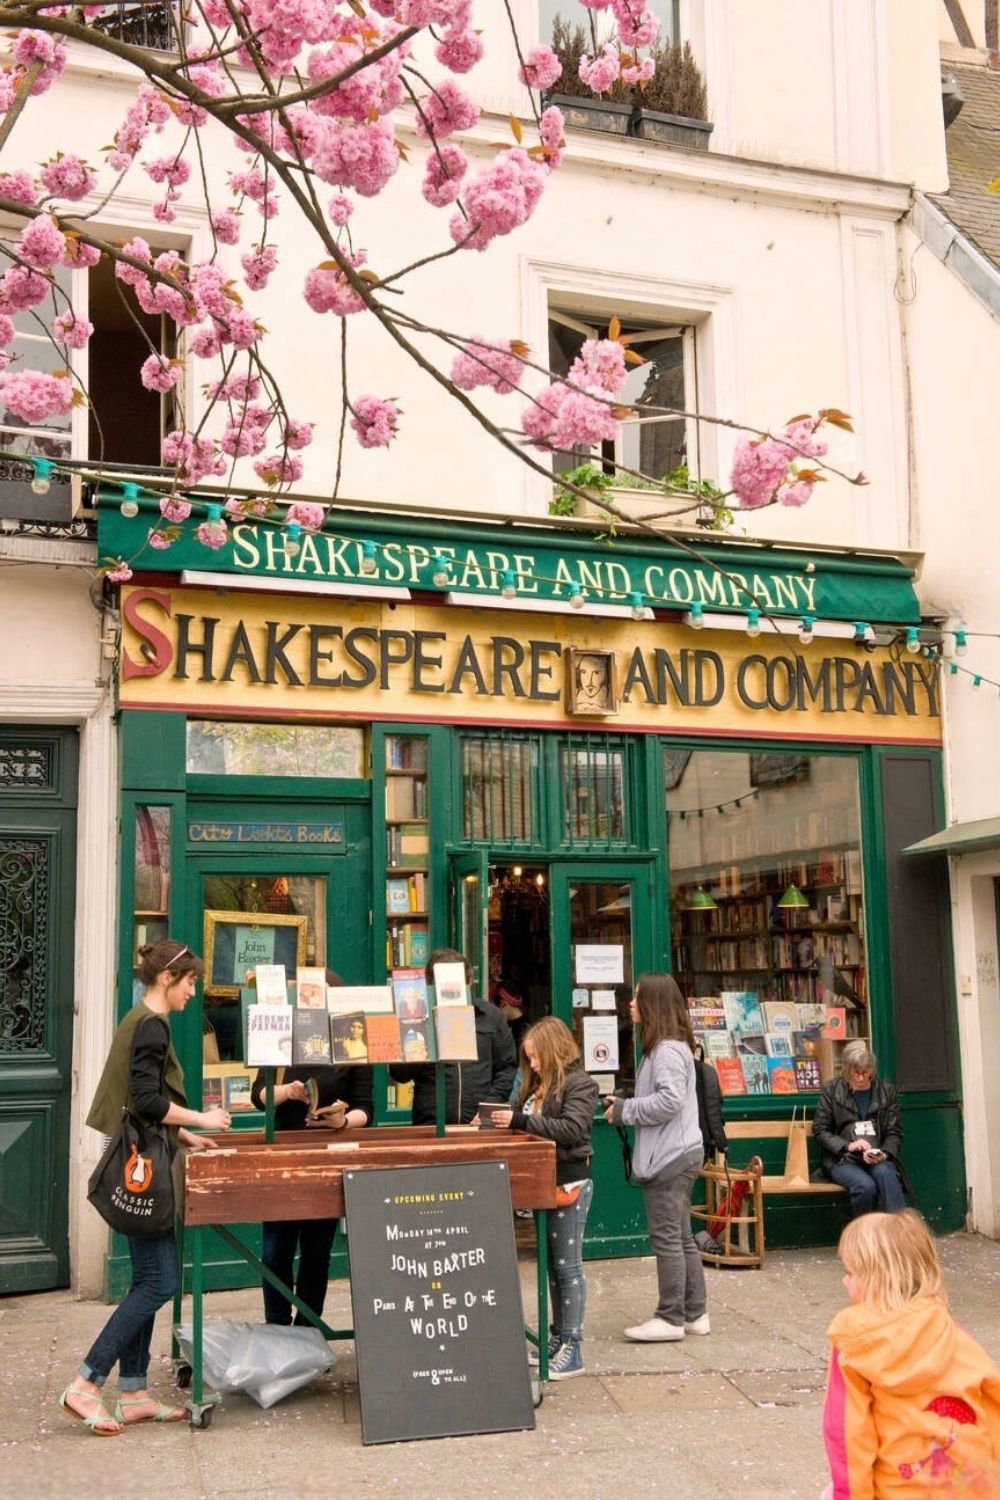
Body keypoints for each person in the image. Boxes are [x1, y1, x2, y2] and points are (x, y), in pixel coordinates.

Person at [60, 940, 230, 1435]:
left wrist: (186, 1134)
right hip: (148, 1174)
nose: (193, 992)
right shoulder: (152, 1025)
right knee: (159, 1282)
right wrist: (203, 1117)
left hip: (144, 1163)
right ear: (166, 980)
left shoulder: (139, 1017)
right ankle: (86, 1383)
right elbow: (149, 1101)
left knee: (147, 1280)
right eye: (190, 982)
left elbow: (142, 1105)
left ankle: (133, 1390)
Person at [822, 1210, 1000, 1499]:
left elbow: (847, 1436)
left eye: (850, 1272)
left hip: (897, 1489)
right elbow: (993, 1412)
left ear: (876, 1277)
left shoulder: (854, 1341)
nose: (844, 1281)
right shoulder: (955, 1336)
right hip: (970, 1488)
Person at [250, 969, 373, 1327]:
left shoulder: (352, 1040)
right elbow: (259, 1095)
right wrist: (286, 1092)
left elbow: (367, 1107)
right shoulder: (280, 1034)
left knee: (317, 1253)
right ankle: (276, 1328)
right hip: (283, 1156)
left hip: (328, 1155)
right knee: (275, 1251)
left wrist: (343, 1121)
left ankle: (306, 1330)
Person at [488, 1017, 598, 1381]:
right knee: (552, 1266)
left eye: (536, 1058)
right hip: (544, 1183)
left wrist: (519, 1121)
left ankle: (573, 1345)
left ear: (553, 1051)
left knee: (568, 1267)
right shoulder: (538, 1085)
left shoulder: (581, 1084)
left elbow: (572, 1130)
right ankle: (557, 1337)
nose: (532, 1065)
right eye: (528, 1059)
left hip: (570, 1182)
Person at [604, 971, 708, 1343]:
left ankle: (670, 1317)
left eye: (636, 997)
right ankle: (695, 1313)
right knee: (681, 1237)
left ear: (652, 1005)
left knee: (667, 1238)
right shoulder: (671, 1046)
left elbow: (670, 1100)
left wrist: (625, 1110)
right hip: (680, 1151)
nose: (630, 1004)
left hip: (670, 1157)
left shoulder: (665, 1050)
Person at [389, 948, 517, 1124]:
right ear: (430, 985)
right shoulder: (418, 1017)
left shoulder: (490, 1016)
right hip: (430, 1123)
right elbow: (400, 1074)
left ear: (469, 981)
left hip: (479, 1123)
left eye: (456, 983)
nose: (449, 990)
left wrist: (490, 1105)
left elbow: (507, 1067)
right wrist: (421, 1033)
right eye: (442, 985)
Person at [812, 1040, 906, 1218]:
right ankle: (863, 1238)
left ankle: (899, 1236)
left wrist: (884, 1153)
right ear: (847, 1070)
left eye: (866, 1072)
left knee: (887, 1176)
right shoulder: (832, 1090)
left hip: (875, 1157)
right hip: (842, 1159)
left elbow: (894, 1131)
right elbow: (820, 1130)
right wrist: (848, 1146)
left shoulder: (885, 1091)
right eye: (856, 1073)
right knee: (865, 1187)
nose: (861, 1078)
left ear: (872, 1069)